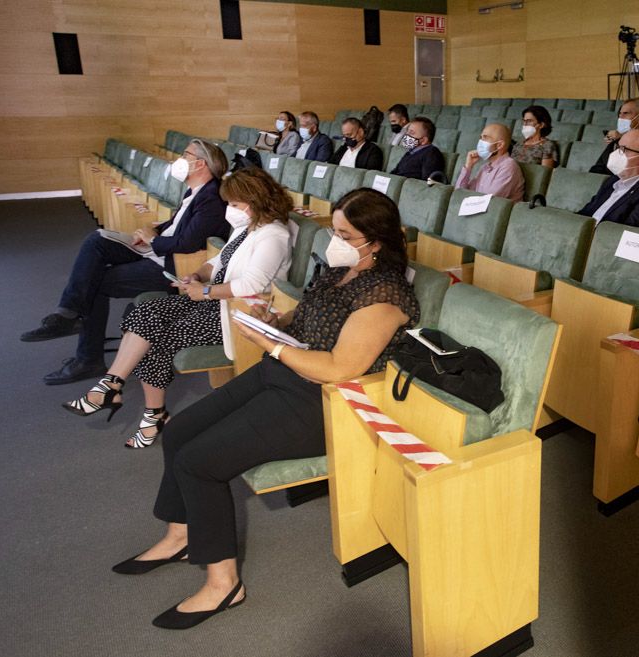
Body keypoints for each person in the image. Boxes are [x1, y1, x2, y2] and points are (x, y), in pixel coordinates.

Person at [111, 188, 419, 630]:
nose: (333, 240)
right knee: (179, 432)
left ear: (376, 240)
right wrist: (277, 323)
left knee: (200, 463)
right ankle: (181, 535)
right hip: (287, 373)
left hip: (322, 403)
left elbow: (340, 367)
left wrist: (270, 346)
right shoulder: (342, 268)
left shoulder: (385, 293)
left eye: (344, 234)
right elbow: (315, 314)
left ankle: (224, 586)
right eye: (333, 229)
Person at [61, 168, 295, 448]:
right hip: (212, 301)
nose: (229, 210)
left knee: (157, 338)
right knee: (143, 315)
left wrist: (205, 292)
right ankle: (113, 386)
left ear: (254, 201)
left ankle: (150, 414)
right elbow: (218, 262)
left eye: (234, 204)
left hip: (236, 314)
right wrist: (196, 276)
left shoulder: (274, 235)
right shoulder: (247, 228)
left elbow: (251, 285)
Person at [22, 139, 230, 385]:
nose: (180, 159)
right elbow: (177, 225)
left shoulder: (212, 197)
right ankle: (67, 314)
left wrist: (153, 240)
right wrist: (152, 232)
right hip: (156, 249)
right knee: (96, 241)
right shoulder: (195, 192)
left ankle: (86, 355)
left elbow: (188, 242)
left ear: (200, 164)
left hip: (171, 264)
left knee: (96, 281)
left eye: (186, 154)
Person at [579, 129, 639, 231]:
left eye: (623, 149)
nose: (616, 153)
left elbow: (629, 235)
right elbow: (585, 214)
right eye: (617, 147)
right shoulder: (612, 181)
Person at [590, 98, 639, 180]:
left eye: (625, 113)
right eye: (619, 114)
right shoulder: (616, 142)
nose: (620, 117)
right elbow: (598, 168)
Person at [454, 123, 525, 201]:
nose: (480, 142)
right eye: (480, 138)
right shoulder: (485, 167)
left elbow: (489, 202)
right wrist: (468, 166)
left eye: (485, 138)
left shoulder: (509, 166)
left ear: (499, 145)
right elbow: (459, 193)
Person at [390, 116, 447, 181]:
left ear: (423, 140)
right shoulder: (410, 152)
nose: (406, 135)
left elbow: (426, 182)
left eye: (411, 133)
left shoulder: (432, 153)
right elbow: (394, 172)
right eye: (407, 132)